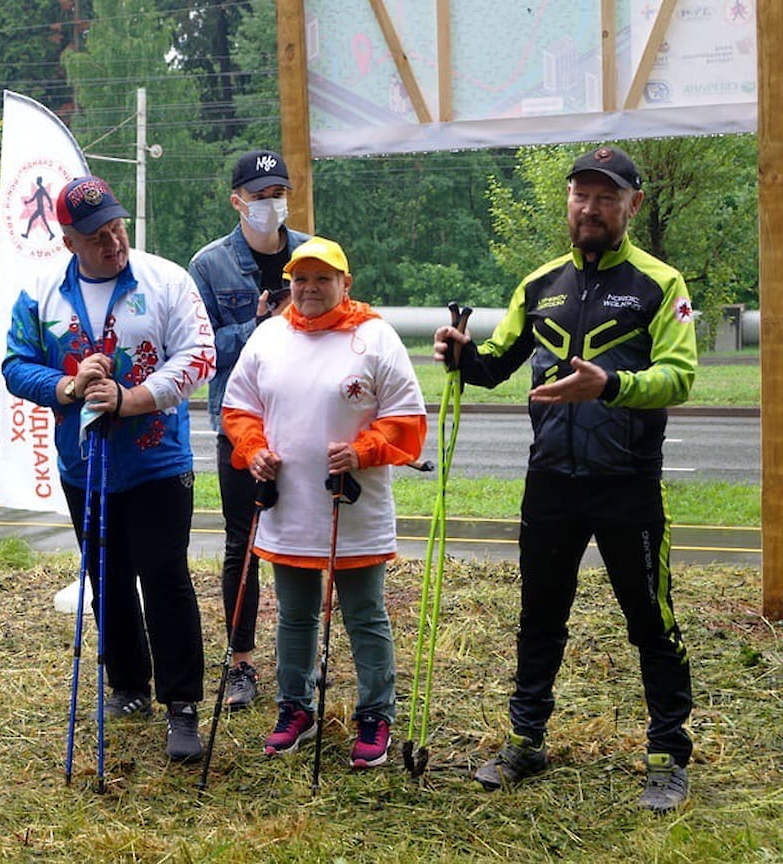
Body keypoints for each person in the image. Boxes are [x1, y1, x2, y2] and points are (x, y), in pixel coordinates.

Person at [432, 145, 696, 812]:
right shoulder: (539, 283)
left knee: (649, 618)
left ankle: (666, 753)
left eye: (606, 196)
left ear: (632, 205)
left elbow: (679, 376)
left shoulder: (659, 284)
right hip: (549, 479)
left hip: (625, 482)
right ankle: (525, 740)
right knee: (538, 615)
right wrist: (460, 355)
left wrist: (608, 385)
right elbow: (495, 361)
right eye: (581, 194)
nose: (590, 206)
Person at [1, 175, 216, 762]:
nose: (114, 242)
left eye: (117, 228)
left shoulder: (167, 279)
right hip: (83, 463)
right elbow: (15, 365)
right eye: (97, 236)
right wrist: (68, 385)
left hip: (157, 461)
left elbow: (200, 356)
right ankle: (127, 685)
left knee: (165, 577)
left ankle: (183, 705)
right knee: (107, 577)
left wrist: (133, 399)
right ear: (68, 240)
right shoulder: (40, 293)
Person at [222, 236, 426, 767]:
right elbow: (239, 406)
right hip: (287, 505)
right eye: (300, 279)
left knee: (363, 613)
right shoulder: (269, 336)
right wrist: (254, 450)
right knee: (294, 614)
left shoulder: (376, 337)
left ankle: (375, 714)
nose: (309, 289)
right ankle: (296, 708)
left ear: (345, 283)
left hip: (351, 506)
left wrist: (362, 450)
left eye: (322, 279)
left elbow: (408, 420)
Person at [188, 148, 309, 711]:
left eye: (278, 194)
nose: (271, 206)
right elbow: (200, 350)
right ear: (237, 201)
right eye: (260, 197)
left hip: (305, 419)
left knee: (305, 539)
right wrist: (256, 323)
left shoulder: (313, 253)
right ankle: (240, 662)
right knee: (245, 542)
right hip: (240, 423)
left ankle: (303, 653)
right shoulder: (209, 265)